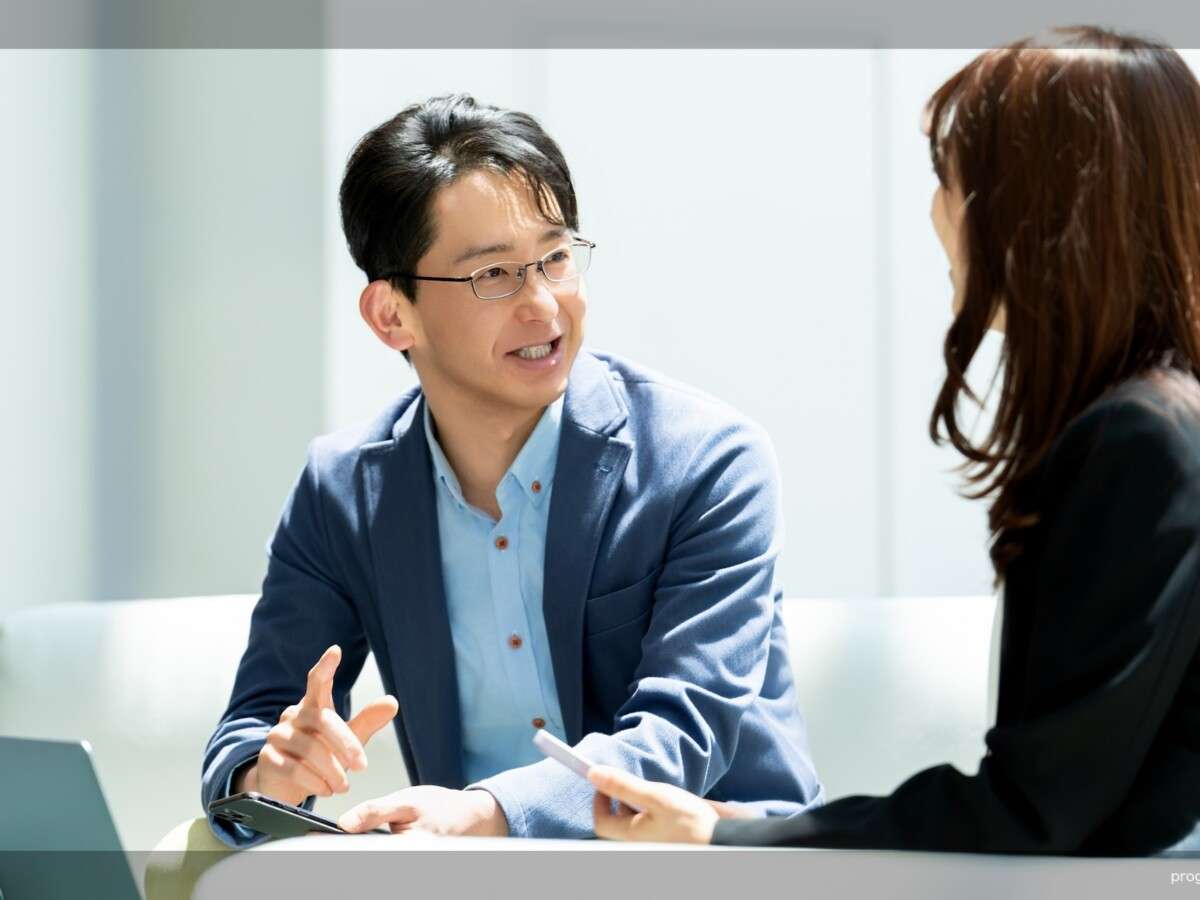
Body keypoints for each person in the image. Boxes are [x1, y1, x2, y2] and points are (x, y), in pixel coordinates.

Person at [586, 27, 1200, 855]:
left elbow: (1036, 809)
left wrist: (734, 839)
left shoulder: (1142, 441)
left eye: (953, 180)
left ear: (1039, 207)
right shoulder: (1157, 422)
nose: (936, 213)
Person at [200, 94, 823, 846]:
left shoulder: (706, 461)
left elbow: (679, 738)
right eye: (493, 274)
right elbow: (251, 728)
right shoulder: (345, 491)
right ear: (391, 315)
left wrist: (487, 812)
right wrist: (270, 778)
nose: (544, 307)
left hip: (709, 868)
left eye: (555, 259)